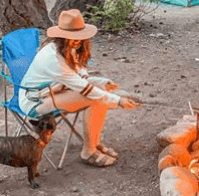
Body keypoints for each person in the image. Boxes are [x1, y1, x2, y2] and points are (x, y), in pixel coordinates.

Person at [19, 9, 139, 167]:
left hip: (54, 90)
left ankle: (95, 142)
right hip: (34, 102)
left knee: (101, 90)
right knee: (94, 98)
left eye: (80, 36)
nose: (77, 40)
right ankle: (88, 151)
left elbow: (77, 75)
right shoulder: (52, 58)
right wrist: (118, 101)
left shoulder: (67, 50)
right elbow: (84, 88)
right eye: (72, 37)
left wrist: (100, 81)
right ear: (61, 36)